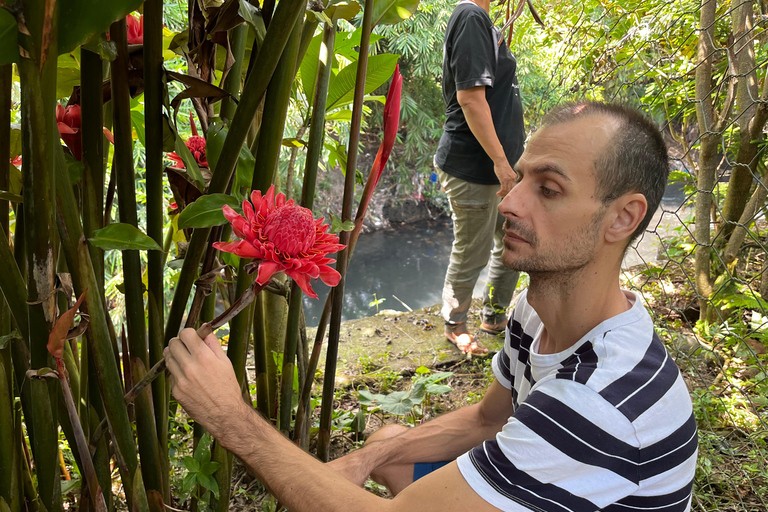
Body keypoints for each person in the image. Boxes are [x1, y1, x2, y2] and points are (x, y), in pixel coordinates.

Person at [165, 102, 698, 511]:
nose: (509, 202)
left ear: (623, 218)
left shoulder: (598, 404)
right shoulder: (538, 315)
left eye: (549, 189)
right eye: (519, 178)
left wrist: (229, 416)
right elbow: (491, 418)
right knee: (390, 442)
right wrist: (363, 460)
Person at [435, 0, 526, 354]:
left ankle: (496, 315)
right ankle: (455, 324)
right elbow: (471, 99)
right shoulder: (471, 16)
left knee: (513, 240)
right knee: (473, 250)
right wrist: (502, 163)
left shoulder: (483, 20)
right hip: (475, 166)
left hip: (499, 165)